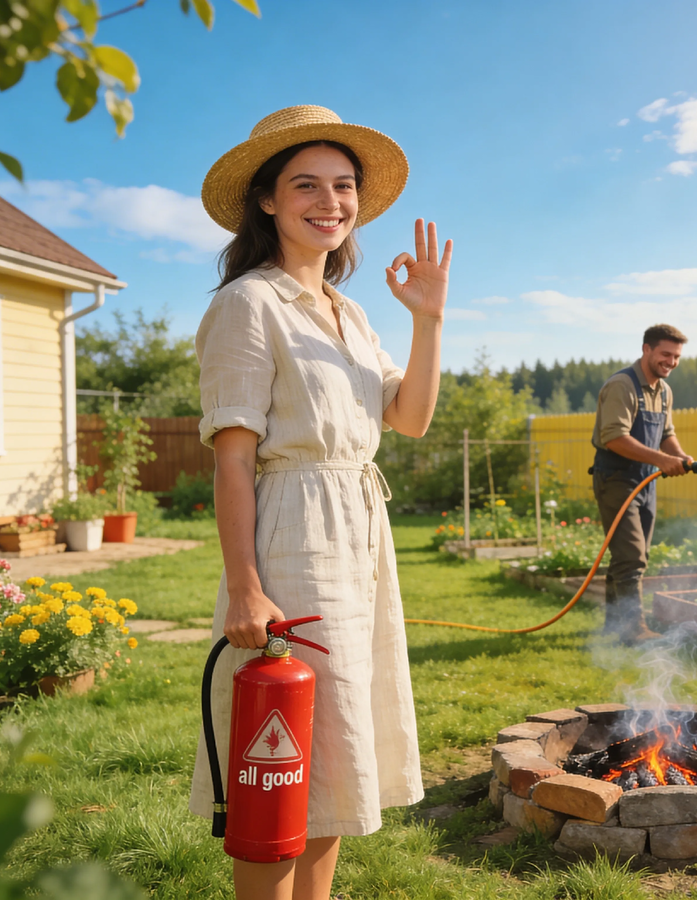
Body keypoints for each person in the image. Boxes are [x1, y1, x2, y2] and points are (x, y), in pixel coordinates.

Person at [188, 105, 452, 900]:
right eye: (307, 184)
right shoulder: (248, 304)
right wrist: (245, 585)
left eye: (344, 187)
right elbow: (232, 461)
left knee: (338, 747)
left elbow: (408, 418)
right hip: (294, 535)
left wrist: (430, 320)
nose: (330, 201)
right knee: (281, 756)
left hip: (360, 536)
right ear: (266, 199)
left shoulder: (351, 312)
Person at [590, 324, 693, 644]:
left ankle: (615, 626)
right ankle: (633, 630)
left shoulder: (664, 391)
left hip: (645, 482)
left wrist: (679, 456)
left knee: (630, 556)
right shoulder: (623, 385)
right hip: (617, 479)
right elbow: (615, 438)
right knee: (633, 557)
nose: (671, 362)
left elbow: (666, 434)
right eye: (665, 354)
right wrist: (662, 461)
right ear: (646, 349)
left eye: (676, 356)